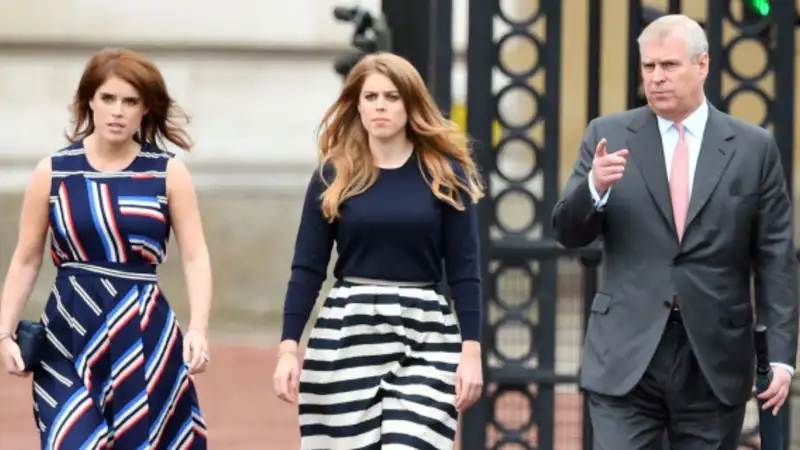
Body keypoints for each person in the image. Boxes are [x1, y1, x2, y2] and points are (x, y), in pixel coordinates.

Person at [553, 14, 798, 449]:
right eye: (648, 67)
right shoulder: (607, 135)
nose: (657, 78)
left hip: (713, 356)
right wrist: (595, 187)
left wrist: (781, 356)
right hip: (625, 353)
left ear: (702, 65)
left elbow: (775, 258)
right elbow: (569, 233)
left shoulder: (752, 148)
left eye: (669, 66)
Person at [271, 52, 485, 449]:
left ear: (411, 103)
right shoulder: (333, 175)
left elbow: (465, 269)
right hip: (347, 331)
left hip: (426, 333)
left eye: (392, 96)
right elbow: (307, 269)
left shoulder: (444, 174)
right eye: (371, 97)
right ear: (357, 104)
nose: (381, 106)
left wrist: (471, 352)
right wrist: (288, 348)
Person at [0, 48, 211, 449]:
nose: (118, 111)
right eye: (108, 98)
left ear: (146, 108)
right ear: (89, 102)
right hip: (68, 333)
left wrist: (198, 328)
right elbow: (27, 256)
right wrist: (3, 332)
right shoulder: (53, 172)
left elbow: (195, 256)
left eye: (130, 101)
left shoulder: (168, 173)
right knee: (70, 438)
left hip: (143, 332)